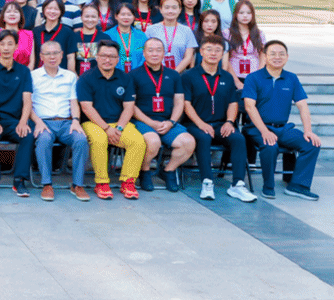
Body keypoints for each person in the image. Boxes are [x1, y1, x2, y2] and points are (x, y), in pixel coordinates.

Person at [242, 40, 322, 200]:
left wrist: (308, 131)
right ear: (265, 56)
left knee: (311, 144)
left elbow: (302, 106)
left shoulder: (291, 78)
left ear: (287, 57)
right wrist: (264, 131)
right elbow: (250, 107)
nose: (277, 57)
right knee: (270, 145)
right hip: (257, 128)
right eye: (272, 54)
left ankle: (297, 186)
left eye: (281, 54)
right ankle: (268, 186)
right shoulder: (253, 78)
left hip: (283, 128)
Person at [182, 35, 256, 203]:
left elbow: (233, 103)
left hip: (221, 124)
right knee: (203, 137)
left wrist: (229, 122)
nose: (213, 53)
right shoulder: (188, 76)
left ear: (223, 54)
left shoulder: (227, 77)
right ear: (201, 52)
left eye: (218, 50)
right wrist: (200, 124)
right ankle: (207, 182)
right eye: (209, 49)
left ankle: (237, 185)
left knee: (238, 138)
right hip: (195, 124)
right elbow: (186, 104)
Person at [76, 39, 145, 199]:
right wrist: (107, 129)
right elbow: (86, 108)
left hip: (118, 123)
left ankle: (128, 182)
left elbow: (129, 107)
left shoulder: (125, 78)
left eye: (112, 56)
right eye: (104, 56)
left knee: (138, 141)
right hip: (92, 122)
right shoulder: (86, 78)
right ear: (97, 57)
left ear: (118, 59)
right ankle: (101, 183)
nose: (107, 60)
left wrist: (118, 128)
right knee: (99, 140)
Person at [129, 38, 194, 192]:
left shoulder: (173, 75)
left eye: (158, 50)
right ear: (144, 53)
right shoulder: (133, 75)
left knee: (188, 142)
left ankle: (168, 170)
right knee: (153, 142)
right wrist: (151, 123)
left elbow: (179, 102)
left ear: (164, 53)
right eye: (150, 50)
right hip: (142, 121)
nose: (154, 54)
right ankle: (144, 171)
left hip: (167, 121)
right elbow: (131, 106)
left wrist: (171, 122)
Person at [30, 41, 91, 201]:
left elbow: (73, 102)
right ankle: (47, 184)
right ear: (41, 56)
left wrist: (76, 120)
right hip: (43, 122)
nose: (52, 57)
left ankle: (77, 185)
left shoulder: (70, 76)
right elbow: (27, 104)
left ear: (62, 55)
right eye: (48, 53)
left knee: (81, 140)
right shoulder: (33, 76)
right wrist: (37, 121)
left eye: (56, 53)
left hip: (66, 122)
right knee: (44, 140)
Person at [0, 31, 35, 197]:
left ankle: (19, 180)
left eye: (10, 44)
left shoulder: (24, 71)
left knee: (28, 135)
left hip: (15, 120)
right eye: (2, 44)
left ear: (16, 46)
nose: (6, 48)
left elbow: (27, 100)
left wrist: (23, 122)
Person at [146, 0, 197, 72]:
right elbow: (145, 52)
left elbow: (189, 56)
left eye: (174, 8)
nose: (170, 11)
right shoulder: (151, 29)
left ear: (180, 10)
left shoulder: (187, 30)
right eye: (167, 7)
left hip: (179, 73)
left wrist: (174, 73)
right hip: (154, 73)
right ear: (161, 9)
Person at [228, 0, 266, 86]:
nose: (245, 16)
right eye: (241, 13)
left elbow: (263, 54)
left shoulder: (259, 33)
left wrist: (259, 74)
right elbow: (226, 59)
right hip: (234, 75)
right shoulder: (227, 33)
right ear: (235, 14)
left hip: (254, 75)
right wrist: (236, 82)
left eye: (248, 13)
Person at [0, 1, 35, 67]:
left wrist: (25, 73)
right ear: (3, 16)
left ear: (20, 16)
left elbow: (32, 61)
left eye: (15, 12)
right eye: (8, 12)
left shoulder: (29, 35)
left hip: (24, 72)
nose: (12, 14)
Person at [106, 4, 148, 73]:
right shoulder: (107, 35)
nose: (126, 17)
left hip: (138, 74)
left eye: (129, 15)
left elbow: (145, 56)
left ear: (134, 17)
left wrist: (136, 72)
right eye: (123, 14)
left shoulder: (141, 36)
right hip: (113, 74)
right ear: (116, 16)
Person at [72, 4, 105, 75]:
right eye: (87, 16)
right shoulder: (73, 37)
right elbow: (70, 60)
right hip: (77, 77)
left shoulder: (105, 38)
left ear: (98, 18)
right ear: (81, 17)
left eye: (93, 17)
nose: (90, 20)